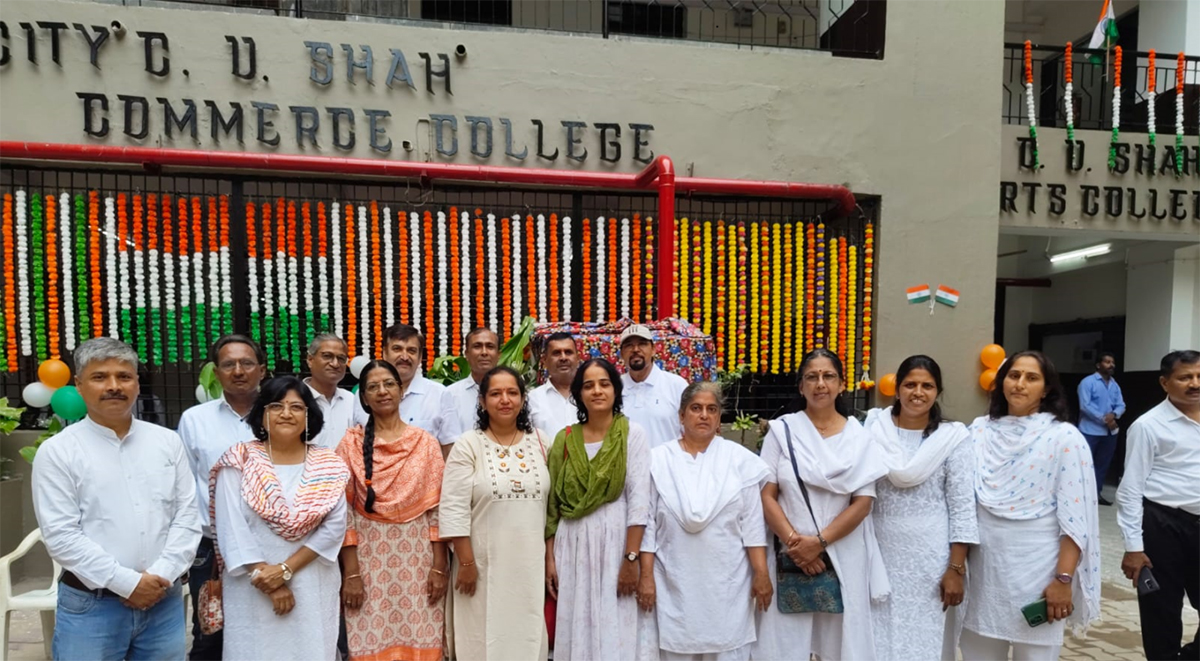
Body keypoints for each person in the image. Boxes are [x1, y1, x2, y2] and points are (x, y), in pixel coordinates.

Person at [32, 337, 201, 661]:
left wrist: (161, 575)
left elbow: (187, 516)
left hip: (162, 602)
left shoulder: (167, 442)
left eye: (124, 376)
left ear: (136, 383)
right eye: (100, 377)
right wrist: (128, 584)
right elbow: (62, 536)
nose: (113, 386)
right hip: (92, 608)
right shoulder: (58, 452)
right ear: (79, 385)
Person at [959, 350, 1101, 661]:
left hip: (1040, 571)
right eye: (1013, 375)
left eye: (1031, 378)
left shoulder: (1064, 438)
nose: (1020, 384)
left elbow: (1075, 520)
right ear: (1001, 382)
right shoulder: (979, 431)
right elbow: (961, 504)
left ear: (1046, 389)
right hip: (985, 572)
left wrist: (1063, 580)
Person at [753, 348, 890, 661]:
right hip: (789, 555)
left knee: (840, 644)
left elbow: (863, 503)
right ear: (801, 386)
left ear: (841, 385)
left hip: (843, 553)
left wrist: (818, 543)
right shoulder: (782, 431)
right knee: (786, 643)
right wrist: (795, 545)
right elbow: (766, 494)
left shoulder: (860, 437)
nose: (820, 384)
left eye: (828, 376)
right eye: (811, 377)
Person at [210, 376, 350, 661]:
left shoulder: (329, 465)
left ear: (309, 416)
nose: (286, 414)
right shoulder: (239, 460)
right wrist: (267, 579)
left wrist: (285, 570)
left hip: (312, 582)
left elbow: (334, 528)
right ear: (262, 414)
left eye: (296, 407)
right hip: (253, 585)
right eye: (276, 406)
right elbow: (230, 529)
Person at [637, 381, 772, 661]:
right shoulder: (657, 461)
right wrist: (646, 576)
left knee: (727, 649)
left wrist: (761, 573)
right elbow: (647, 525)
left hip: (728, 584)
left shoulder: (739, 461)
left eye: (711, 409)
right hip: (673, 581)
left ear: (719, 418)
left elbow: (752, 525)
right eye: (696, 408)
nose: (704, 415)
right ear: (681, 415)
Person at [864, 355, 978, 661]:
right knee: (877, 636)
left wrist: (955, 569)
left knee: (925, 639)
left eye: (927, 386)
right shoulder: (873, 429)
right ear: (896, 389)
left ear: (938, 392)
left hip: (931, 560)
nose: (918, 392)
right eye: (910, 384)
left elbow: (962, 507)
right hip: (877, 553)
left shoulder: (953, 438)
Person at [336, 360, 449, 661]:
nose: (382, 391)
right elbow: (344, 516)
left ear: (401, 390)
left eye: (388, 384)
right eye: (373, 387)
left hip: (419, 563)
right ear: (364, 397)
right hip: (368, 564)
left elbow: (437, 512)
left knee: (422, 638)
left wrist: (439, 568)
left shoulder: (425, 444)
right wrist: (352, 574)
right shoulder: (350, 445)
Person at [439, 366, 551, 660]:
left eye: (512, 392)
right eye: (496, 393)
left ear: (523, 399)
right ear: (482, 401)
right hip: (480, 568)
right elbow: (453, 507)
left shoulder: (541, 442)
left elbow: (553, 508)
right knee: (482, 640)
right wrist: (466, 563)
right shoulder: (469, 444)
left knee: (526, 636)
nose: (505, 400)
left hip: (529, 566)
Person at [545, 358, 651, 660]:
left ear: (616, 390)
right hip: (572, 544)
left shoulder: (632, 434)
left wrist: (631, 559)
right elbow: (552, 507)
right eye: (588, 385)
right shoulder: (565, 439)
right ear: (579, 393)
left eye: (604, 384)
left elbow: (639, 501)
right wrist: (550, 559)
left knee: (615, 622)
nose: (597, 391)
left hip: (616, 543)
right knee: (576, 620)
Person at [178, 334, 268, 660]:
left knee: (268, 627)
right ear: (216, 373)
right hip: (212, 549)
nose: (238, 371)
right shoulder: (195, 420)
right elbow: (184, 485)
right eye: (229, 364)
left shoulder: (280, 415)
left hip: (270, 543)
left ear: (262, 370)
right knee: (210, 633)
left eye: (246, 363)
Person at [1116, 350, 1200, 661]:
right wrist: (1133, 547)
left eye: (1199, 376)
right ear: (1165, 383)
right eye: (1185, 377)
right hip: (1163, 527)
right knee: (1161, 614)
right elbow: (1130, 490)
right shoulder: (1148, 426)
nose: (1195, 383)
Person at [618, 324, 689, 448]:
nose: (635, 349)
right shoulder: (614, 388)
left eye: (642, 344)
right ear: (622, 354)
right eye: (629, 345)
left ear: (653, 350)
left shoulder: (677, 386)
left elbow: (692, 434)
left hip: (668, 461)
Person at [382, 323, 447, 442]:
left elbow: (449, 447)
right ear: (384, 353)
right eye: (397, 349)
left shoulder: (439, 394)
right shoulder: (367, 395)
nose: (404, 357)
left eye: (411, 351)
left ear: (420, 357)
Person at [438, 327, 501, 452]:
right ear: (466, 354)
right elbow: (449, 444)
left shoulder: (512, 394)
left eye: (490, 346)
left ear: (498, 355)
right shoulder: (450, 394)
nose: (484, 352)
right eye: (477, 346)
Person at [1076, 350, 1125, 505]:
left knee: (1102, 465)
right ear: (1098, 365)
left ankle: (1096, 494)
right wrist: (1105, 419)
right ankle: (1080, 496)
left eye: (1113, 362)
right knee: (1084, 464)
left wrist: (1114, 414)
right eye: (1107, 362)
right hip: (1089, 431)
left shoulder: (1114, 385)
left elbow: (1121, 404)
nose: (1112, 365)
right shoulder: (1087, 382)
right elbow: (1085, 406)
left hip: (1109, 433)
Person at [304, 334, 368, 449]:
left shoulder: (351, 400)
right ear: (310, 360)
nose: (335, 364)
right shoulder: (296, 398)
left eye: (341, 358)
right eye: (327, 356)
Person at [529, 332, 581, 438]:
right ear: (544, 360)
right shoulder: (532, 399)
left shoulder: (590, 395)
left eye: (568, 352)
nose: (563, 358)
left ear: (578, 358)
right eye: (556, 353)